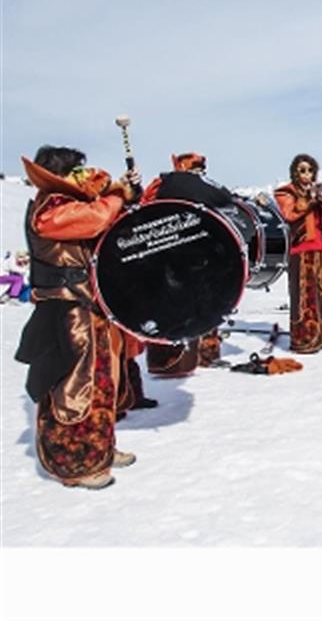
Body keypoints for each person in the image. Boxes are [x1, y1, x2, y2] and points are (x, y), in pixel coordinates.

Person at [14, 146, 141, 489]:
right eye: (77, 171)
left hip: (89, 307)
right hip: (66, 312)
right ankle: (76, 463)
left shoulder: (70, 203)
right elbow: (96, 219)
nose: (83, 176)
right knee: (74, 387)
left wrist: (126, 197)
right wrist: (115, 195)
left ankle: (100, 448)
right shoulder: (48, 209)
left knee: (103, 382)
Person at [141, 152, 228, 375]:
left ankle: (202, 356)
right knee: (178, 307)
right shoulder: (169, 184)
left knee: (198, 303)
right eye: (195, 167)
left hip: (190, 253)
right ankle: (172, 363)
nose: (199, 172)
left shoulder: (163, 184)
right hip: (174, 257)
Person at [274, 154, 322, 354]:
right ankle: (303, 337)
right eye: (301, 170)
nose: (306, 174)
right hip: (302, 248)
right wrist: (310, 199)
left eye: (309, 170)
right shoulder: (286, 191)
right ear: (294, 172)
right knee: (303, 293)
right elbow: (290, 213)